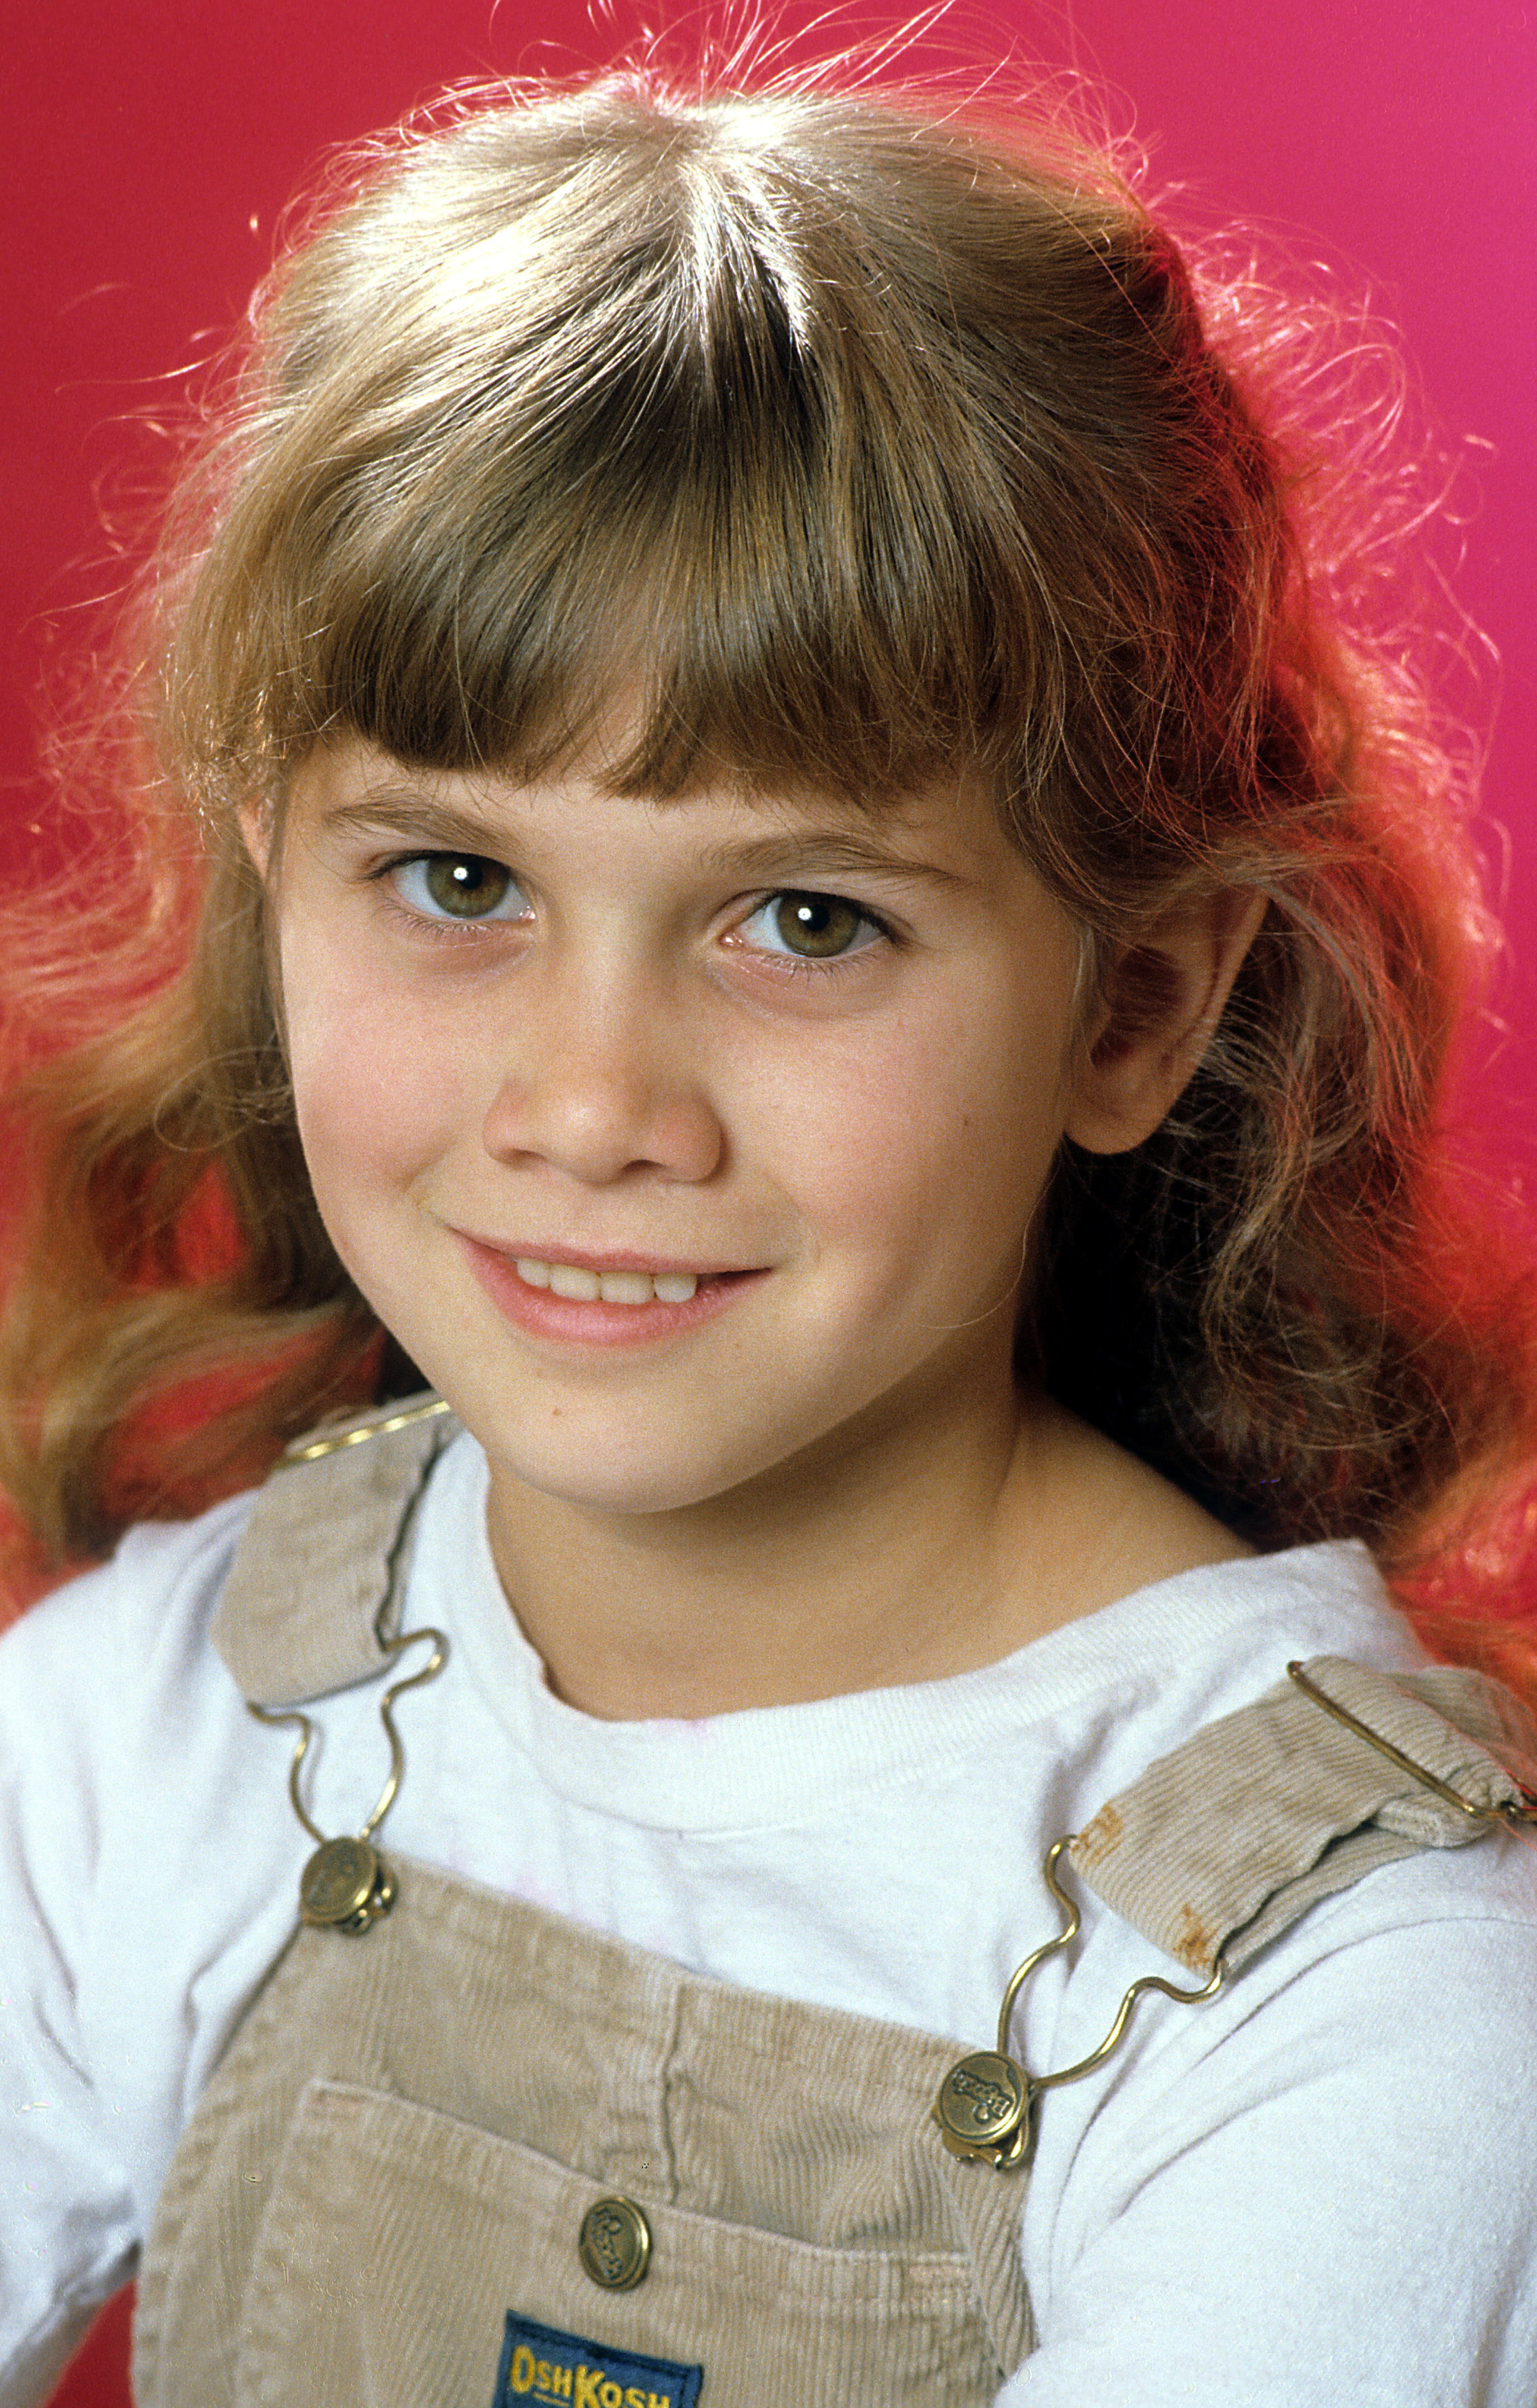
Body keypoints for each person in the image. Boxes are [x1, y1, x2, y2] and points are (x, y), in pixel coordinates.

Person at [3, 44, 1536, 2408]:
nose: (593, 1105)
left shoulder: (1344, 1989)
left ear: (1131, 1006)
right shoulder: (171, 1724)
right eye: (455, 878)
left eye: (804, 918)